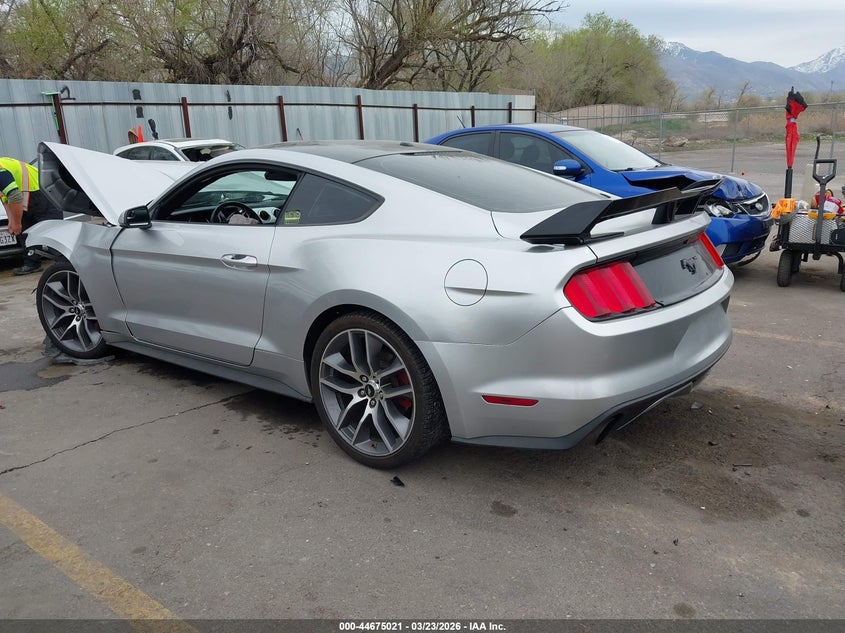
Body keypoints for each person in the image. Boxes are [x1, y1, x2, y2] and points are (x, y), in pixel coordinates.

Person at [0, 156, 62, 275]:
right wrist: (11, 220)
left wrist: (16, 223)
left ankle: (64, 264)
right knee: (26, 232)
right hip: (27, 195)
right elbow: (5, 197)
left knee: (52, 230)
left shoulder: (0, 170)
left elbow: (14, 196)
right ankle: (31, 263)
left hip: (41, 191)